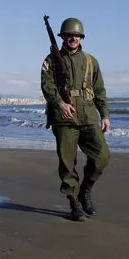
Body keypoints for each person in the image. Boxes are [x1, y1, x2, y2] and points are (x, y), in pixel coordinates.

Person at [40, 17, 110, 221]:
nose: (73, 38)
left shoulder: (90, 61)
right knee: (67, 163)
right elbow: (47, 86)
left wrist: (104, 114)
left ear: (81, 37)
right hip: (63, 118)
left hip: (88, 116)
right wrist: (61, 104)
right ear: (62, 37)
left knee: (102, 157)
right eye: (69, 35)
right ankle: (74, 202)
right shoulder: (51, 60)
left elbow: (99, 90)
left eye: (76, 35)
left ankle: (85, 190)